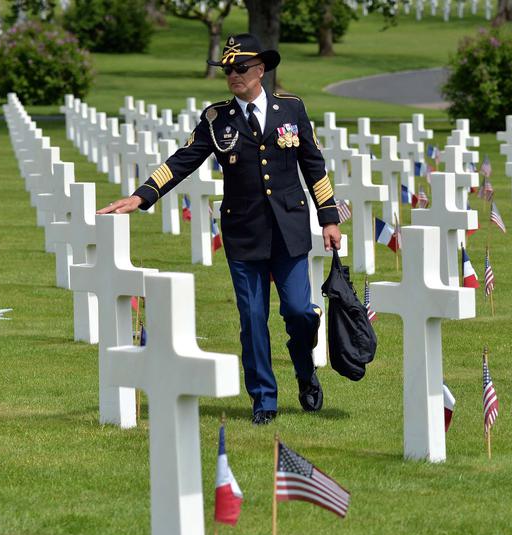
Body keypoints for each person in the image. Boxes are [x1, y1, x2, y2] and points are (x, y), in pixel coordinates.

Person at [98, 33, 342, 425]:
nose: (233, 75)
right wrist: (141, 196)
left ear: (261, 70)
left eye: (240, 68)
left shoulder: (291, 109)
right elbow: (183, 159)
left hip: (289, 230)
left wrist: (328, 217)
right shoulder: (217, 120)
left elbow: (314, 164)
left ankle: (304, 369)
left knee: (300, 312)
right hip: (244, 234)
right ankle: (264, 398)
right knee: (252, 319)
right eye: (227, 70)